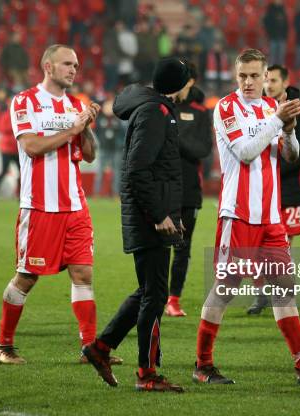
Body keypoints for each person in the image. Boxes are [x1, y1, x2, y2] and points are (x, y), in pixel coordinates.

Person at [193, 48, 300, 385]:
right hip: (237, 215)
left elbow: (289, 156)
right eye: (242, 76)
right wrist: (278, 120)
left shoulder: (268, 108)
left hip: (270, 218)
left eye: (254, 76)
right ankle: (202, 365)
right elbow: (245, 153)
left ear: (267, 78)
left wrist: (289, 129)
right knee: (226, 288)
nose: (248, 82)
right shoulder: (226, 108)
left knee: (284, 287)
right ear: (236, 77)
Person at [0, 44, 122, 367]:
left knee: (83, 274)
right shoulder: (25, 101)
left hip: (75, 205)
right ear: (48, 66)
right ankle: (3, 344)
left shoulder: (76, 104)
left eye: (76, 65)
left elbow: (88, 154)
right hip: (39, 207)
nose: (73, 70)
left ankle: (90, 348)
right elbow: (32, 146)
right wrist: (72, 128)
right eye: (67, 64)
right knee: (27, 277)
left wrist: (86, 127)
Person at [82, 57, 190, 392]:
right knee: (155, 297)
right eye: (188, 81)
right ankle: (147, 373)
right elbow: (138, 171)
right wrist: (160, 215)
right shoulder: (154, 114)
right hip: (149, 220)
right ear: (180, 84)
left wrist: (171, 212)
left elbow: (155, 171)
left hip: (150, 216)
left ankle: (101, 348)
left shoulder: (153, 110)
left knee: (147, 292)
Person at [247, 64, 300, 315]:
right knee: (256, 247)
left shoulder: (298, 109)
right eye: (267, 80)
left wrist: (271, 169)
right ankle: (262, 293)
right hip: (259, 190)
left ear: (285, 82)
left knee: (282, 247)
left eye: (274, 80)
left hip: (287, 190)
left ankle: (280, 295)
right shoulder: (256, 110)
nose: (269, 84)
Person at [165, 62, 212, 317]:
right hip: (162, 188)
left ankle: (174, 299)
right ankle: (154, 295)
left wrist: (174, 137)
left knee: (182, 246)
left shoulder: (201, 112)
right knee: (158, 246)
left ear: (191, 81)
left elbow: (203, 150)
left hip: (189, 189)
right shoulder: (162, 107)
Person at [0, 91, 19, 203]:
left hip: (16, 149)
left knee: (22, 173)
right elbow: (3, 129)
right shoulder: (6, 115)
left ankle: (21, 196)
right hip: (7, 149)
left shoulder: (18, 115)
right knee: (3, 172)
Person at [92, 94, 126, 197]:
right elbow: (95, 132)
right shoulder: (99, 120)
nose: (109, 108)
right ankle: (96, 193)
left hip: (116, 150)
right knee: (99, 172)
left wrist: (120, 144)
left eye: (111, 106)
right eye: (107, 106)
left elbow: (123, 133)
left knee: (116, 173)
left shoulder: (119, 120)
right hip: (103, 149)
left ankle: (115, 193)